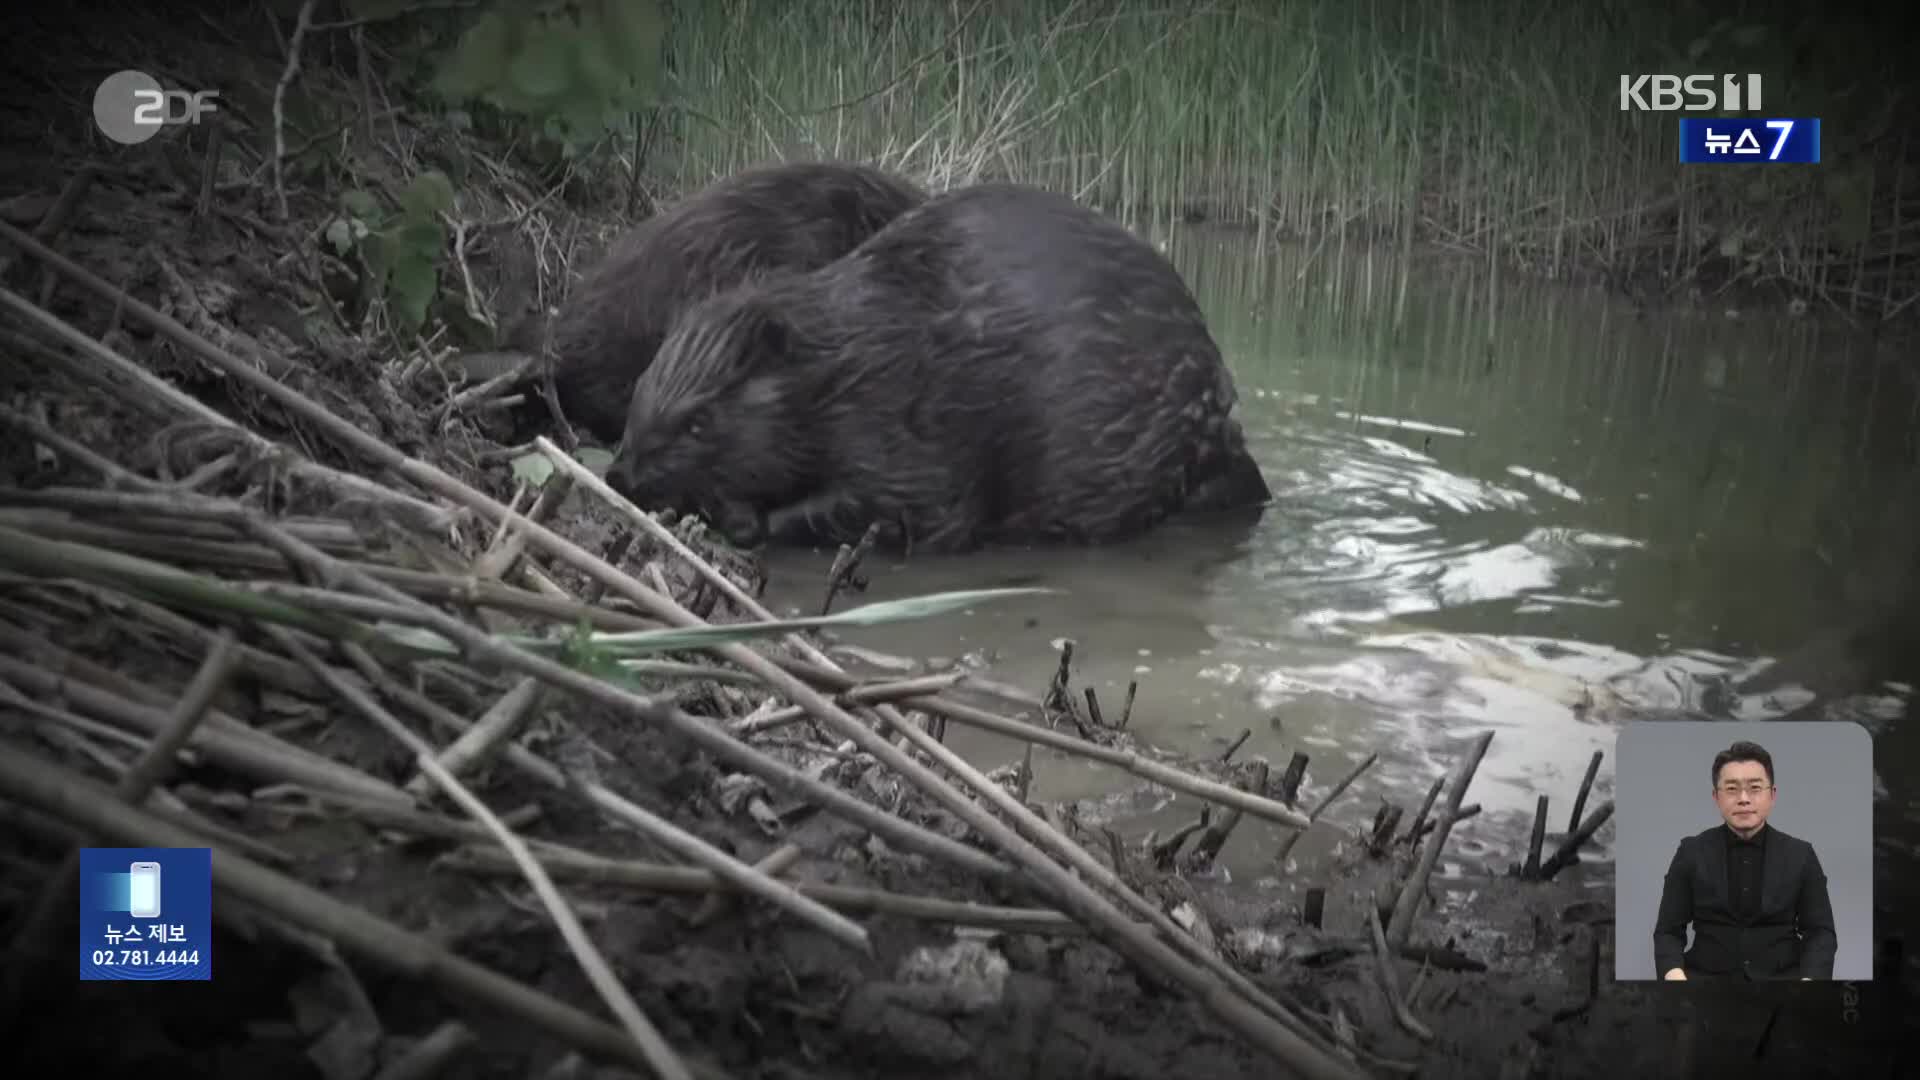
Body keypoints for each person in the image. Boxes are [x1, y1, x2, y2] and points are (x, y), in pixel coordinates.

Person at [1652, 740, 1837, 980]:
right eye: (1731, 789)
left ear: (1772, 795)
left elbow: (1821, 932)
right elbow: (1667, 931)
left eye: (1755, 788)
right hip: (1704, 984)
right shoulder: (1691, 852)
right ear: (1715, 797)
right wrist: (1675, 977)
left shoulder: (1801, 854)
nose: (1743, 798)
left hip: (1785, 984)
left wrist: (1809, 983)